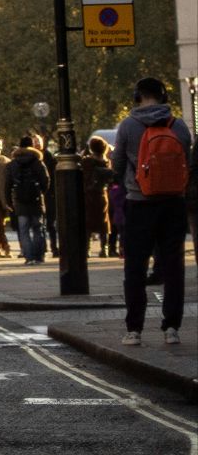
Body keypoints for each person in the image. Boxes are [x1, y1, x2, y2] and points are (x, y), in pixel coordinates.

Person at [109, 76, 191, 346]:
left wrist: (126, 183)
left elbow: (118, 163)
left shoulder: (128, 126)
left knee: (135, 267)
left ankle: (134, 330)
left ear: (137, 96)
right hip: (173, 203)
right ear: (164, 96)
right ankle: (171, 328)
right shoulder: (178, 126)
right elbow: (186, 164)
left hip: (139, 202)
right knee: (173, 266)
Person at [7, 136, 50, 265]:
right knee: (38, 228)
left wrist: (9, 201)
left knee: (24, 230)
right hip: (36, 200)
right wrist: (41, 192)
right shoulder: (38, 162)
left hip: (20, 201)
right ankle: (39, 256)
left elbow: (7, 184)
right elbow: (46, 180)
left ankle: (29, 256)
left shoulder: (13, 164)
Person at [81, 135, 116, 258]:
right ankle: (104, 249)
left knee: (87, 223)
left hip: (88, 194)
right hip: (102, 193)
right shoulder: (106, 162)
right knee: (104, 222)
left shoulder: (87, 162)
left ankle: (86, 249)